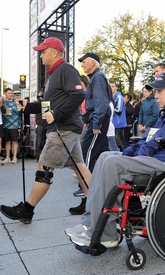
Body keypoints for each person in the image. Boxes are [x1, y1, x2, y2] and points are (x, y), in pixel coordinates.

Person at [65, 71, 165, 248]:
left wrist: (138, 152)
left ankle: (106, 234)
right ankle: (89, 221)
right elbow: (152, 136)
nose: (156, 96)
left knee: (112, 163)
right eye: (155, 92)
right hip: (163, 155)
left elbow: (163, 136)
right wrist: (132, 150)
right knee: (104, 156)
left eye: (160, 91)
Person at [0, 37, 91, 223]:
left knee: (44, 169)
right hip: (65, 127)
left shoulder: (65, 69)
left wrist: (56, 114)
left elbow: (78, 94)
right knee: (78, 166)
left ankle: (27, 210)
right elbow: (47, 105)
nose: (41, 55)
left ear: (54, 52)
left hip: (63, 129)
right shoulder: (54, 74)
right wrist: (28, 106)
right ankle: (94, 203)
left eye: (43, 51)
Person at [69, 52, 111, 215]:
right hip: (96, 120)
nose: (82, 65)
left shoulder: (98, 77)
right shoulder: (97, 77)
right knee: (99, 157)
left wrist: (96, 122)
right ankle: (96, 198)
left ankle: (87, 198)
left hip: (97, 122)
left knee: (86, 155)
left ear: (93, 63)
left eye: (84, 62)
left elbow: (101, 102)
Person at [1, 88, 21, 164]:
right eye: (9, 93)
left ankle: (14, 157)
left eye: (11, 93)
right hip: (6, 125)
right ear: (5, 94)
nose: (10, 94)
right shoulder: (3, 103)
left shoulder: (16, 102)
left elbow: (20, 114)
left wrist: (19, 125)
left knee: (15, 141)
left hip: (15, 125)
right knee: (7, 142)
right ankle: (7, 157)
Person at [110, 81, 127, 151]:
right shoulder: (111, 97)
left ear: (116, 88)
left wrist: (110, 110)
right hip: (113, 123)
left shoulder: (119, 97)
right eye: (110, 86)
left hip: (118, 123)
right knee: (115, 142)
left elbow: (118, 110)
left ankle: (126, 155)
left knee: (121, 141)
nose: (111, 88)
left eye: (113, 86)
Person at [35, 91, 47, 162]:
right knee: (39, 142)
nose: (41, 98)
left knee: (46, 141)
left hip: (48, 123)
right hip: (40, 123)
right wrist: (39, 96)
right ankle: (38, 157)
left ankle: (45, 157)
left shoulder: (49, 101)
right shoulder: (39, 103)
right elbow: (38, 101)